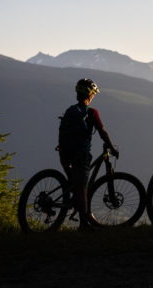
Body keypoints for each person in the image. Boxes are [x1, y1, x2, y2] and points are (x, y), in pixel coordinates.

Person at [58, 78, 119, 230]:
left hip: (64, 153)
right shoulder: (91, 112)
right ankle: (84, 224)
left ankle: (72, 204)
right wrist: (112, 147)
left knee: (74, 183)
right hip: (81, 155)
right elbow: (102, 132)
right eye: (93, 94)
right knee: (82, 188)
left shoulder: (70, 110)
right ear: (90, 95)